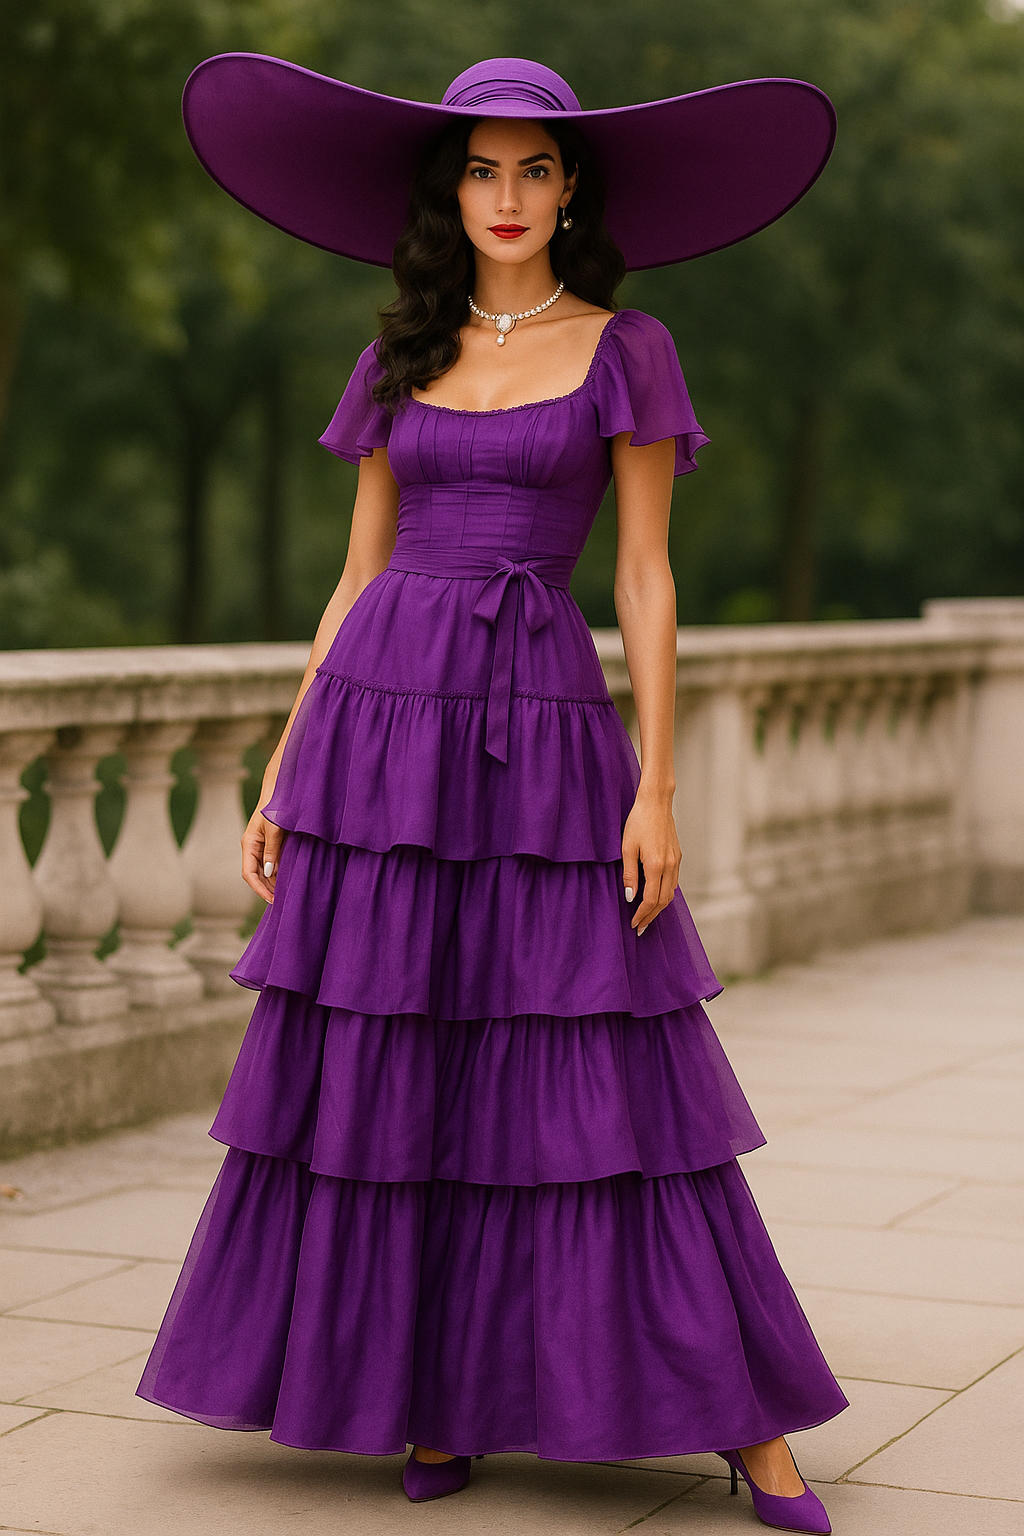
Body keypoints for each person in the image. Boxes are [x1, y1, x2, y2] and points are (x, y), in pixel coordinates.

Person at [137, 55, 847, 1533]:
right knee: (401, 1063)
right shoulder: (397, 352)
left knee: (607, 1060)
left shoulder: (630, 348)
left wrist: (655, 786)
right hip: (381, 733)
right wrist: (288, 756)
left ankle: (750, 1421)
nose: (508, 197)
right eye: (482, 169)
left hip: (540, 723)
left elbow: (645, 580)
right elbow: (357, 577)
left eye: (534, 169)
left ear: (572, 185)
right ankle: (434, 1393)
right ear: (448, 190)